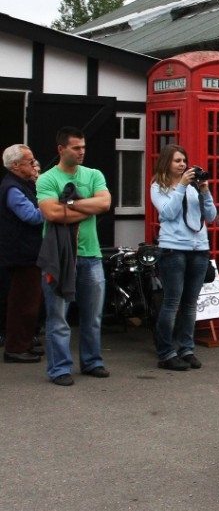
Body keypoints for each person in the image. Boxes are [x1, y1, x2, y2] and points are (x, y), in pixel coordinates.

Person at [36, 126, 111, 386]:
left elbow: (104, 203)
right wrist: (87, 207)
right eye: (76, 147)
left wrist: (68, 204)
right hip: (59, 257)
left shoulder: (93, 174)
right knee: (58, 317)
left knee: (93, 316)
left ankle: (92, 362)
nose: (82, 152)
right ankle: (60, 369)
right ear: (61, 149)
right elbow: (52, 214)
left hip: (91, 255)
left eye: (83, 147)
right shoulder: (47, 179)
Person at [150, 144, 217, 371]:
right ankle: (166, 352)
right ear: (167, 162)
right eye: (177, 161)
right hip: (173, 250)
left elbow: (211, 216)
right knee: (171, 303)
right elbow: (167, 213)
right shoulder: (158, 186)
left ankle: (186, 349)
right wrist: (181, 187)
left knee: (190, 304)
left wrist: (205, 191)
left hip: (199, 249)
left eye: (184, 161)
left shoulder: (194, 187)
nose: (182, 164)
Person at [0, 144, 44, 363]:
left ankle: (25, 343)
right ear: (16, 165)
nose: (34, 164)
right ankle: (15, 348)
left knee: (31, 301)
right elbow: (32, 217)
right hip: (21, 254)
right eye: (30, 161)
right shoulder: (12, 188)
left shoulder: (24, 184)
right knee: (22, 303)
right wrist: (54, 206)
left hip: (29, 252)